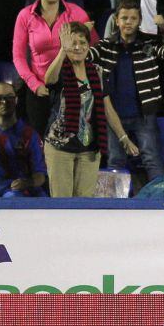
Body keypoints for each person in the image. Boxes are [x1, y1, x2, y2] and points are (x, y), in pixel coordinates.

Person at [42, 22, 139, 197]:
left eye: (82, 42)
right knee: (62, 205)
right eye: (73, 43)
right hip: (60, 148)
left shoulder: (97, 71)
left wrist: (124, 138)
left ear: (89, 46)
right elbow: (49, 79)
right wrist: (62, 51)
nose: (78, 47)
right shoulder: (61, 69)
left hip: (89, 149)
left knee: (84, 205)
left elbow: (108, 109)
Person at [86, 0, 164, 182]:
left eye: (133, 18)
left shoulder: (148, 44)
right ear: (116, 20)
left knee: (152, 160)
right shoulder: (105, 46)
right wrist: (85, 33)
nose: (128, 22)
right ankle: (115, 208)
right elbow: (84, 57)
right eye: (124, 18)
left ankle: (161, 205)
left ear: (140, 21)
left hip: (144, 115)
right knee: (115, 162)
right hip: (114, 117)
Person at [12, 0, 99, 138]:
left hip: (71, 88)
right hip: (39, 88)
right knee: (40, 141)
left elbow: (94, 48)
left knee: (70, 140)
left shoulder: (76, 12)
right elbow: (18, 56)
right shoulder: (25, 16)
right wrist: (34, 85)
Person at [0, 83, 46, 198]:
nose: (5, 102)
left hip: (15, 190)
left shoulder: (30, 134)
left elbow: (40, 176)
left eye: (9, 97)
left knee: (13, 198)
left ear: (16, 100)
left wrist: (27, 183)